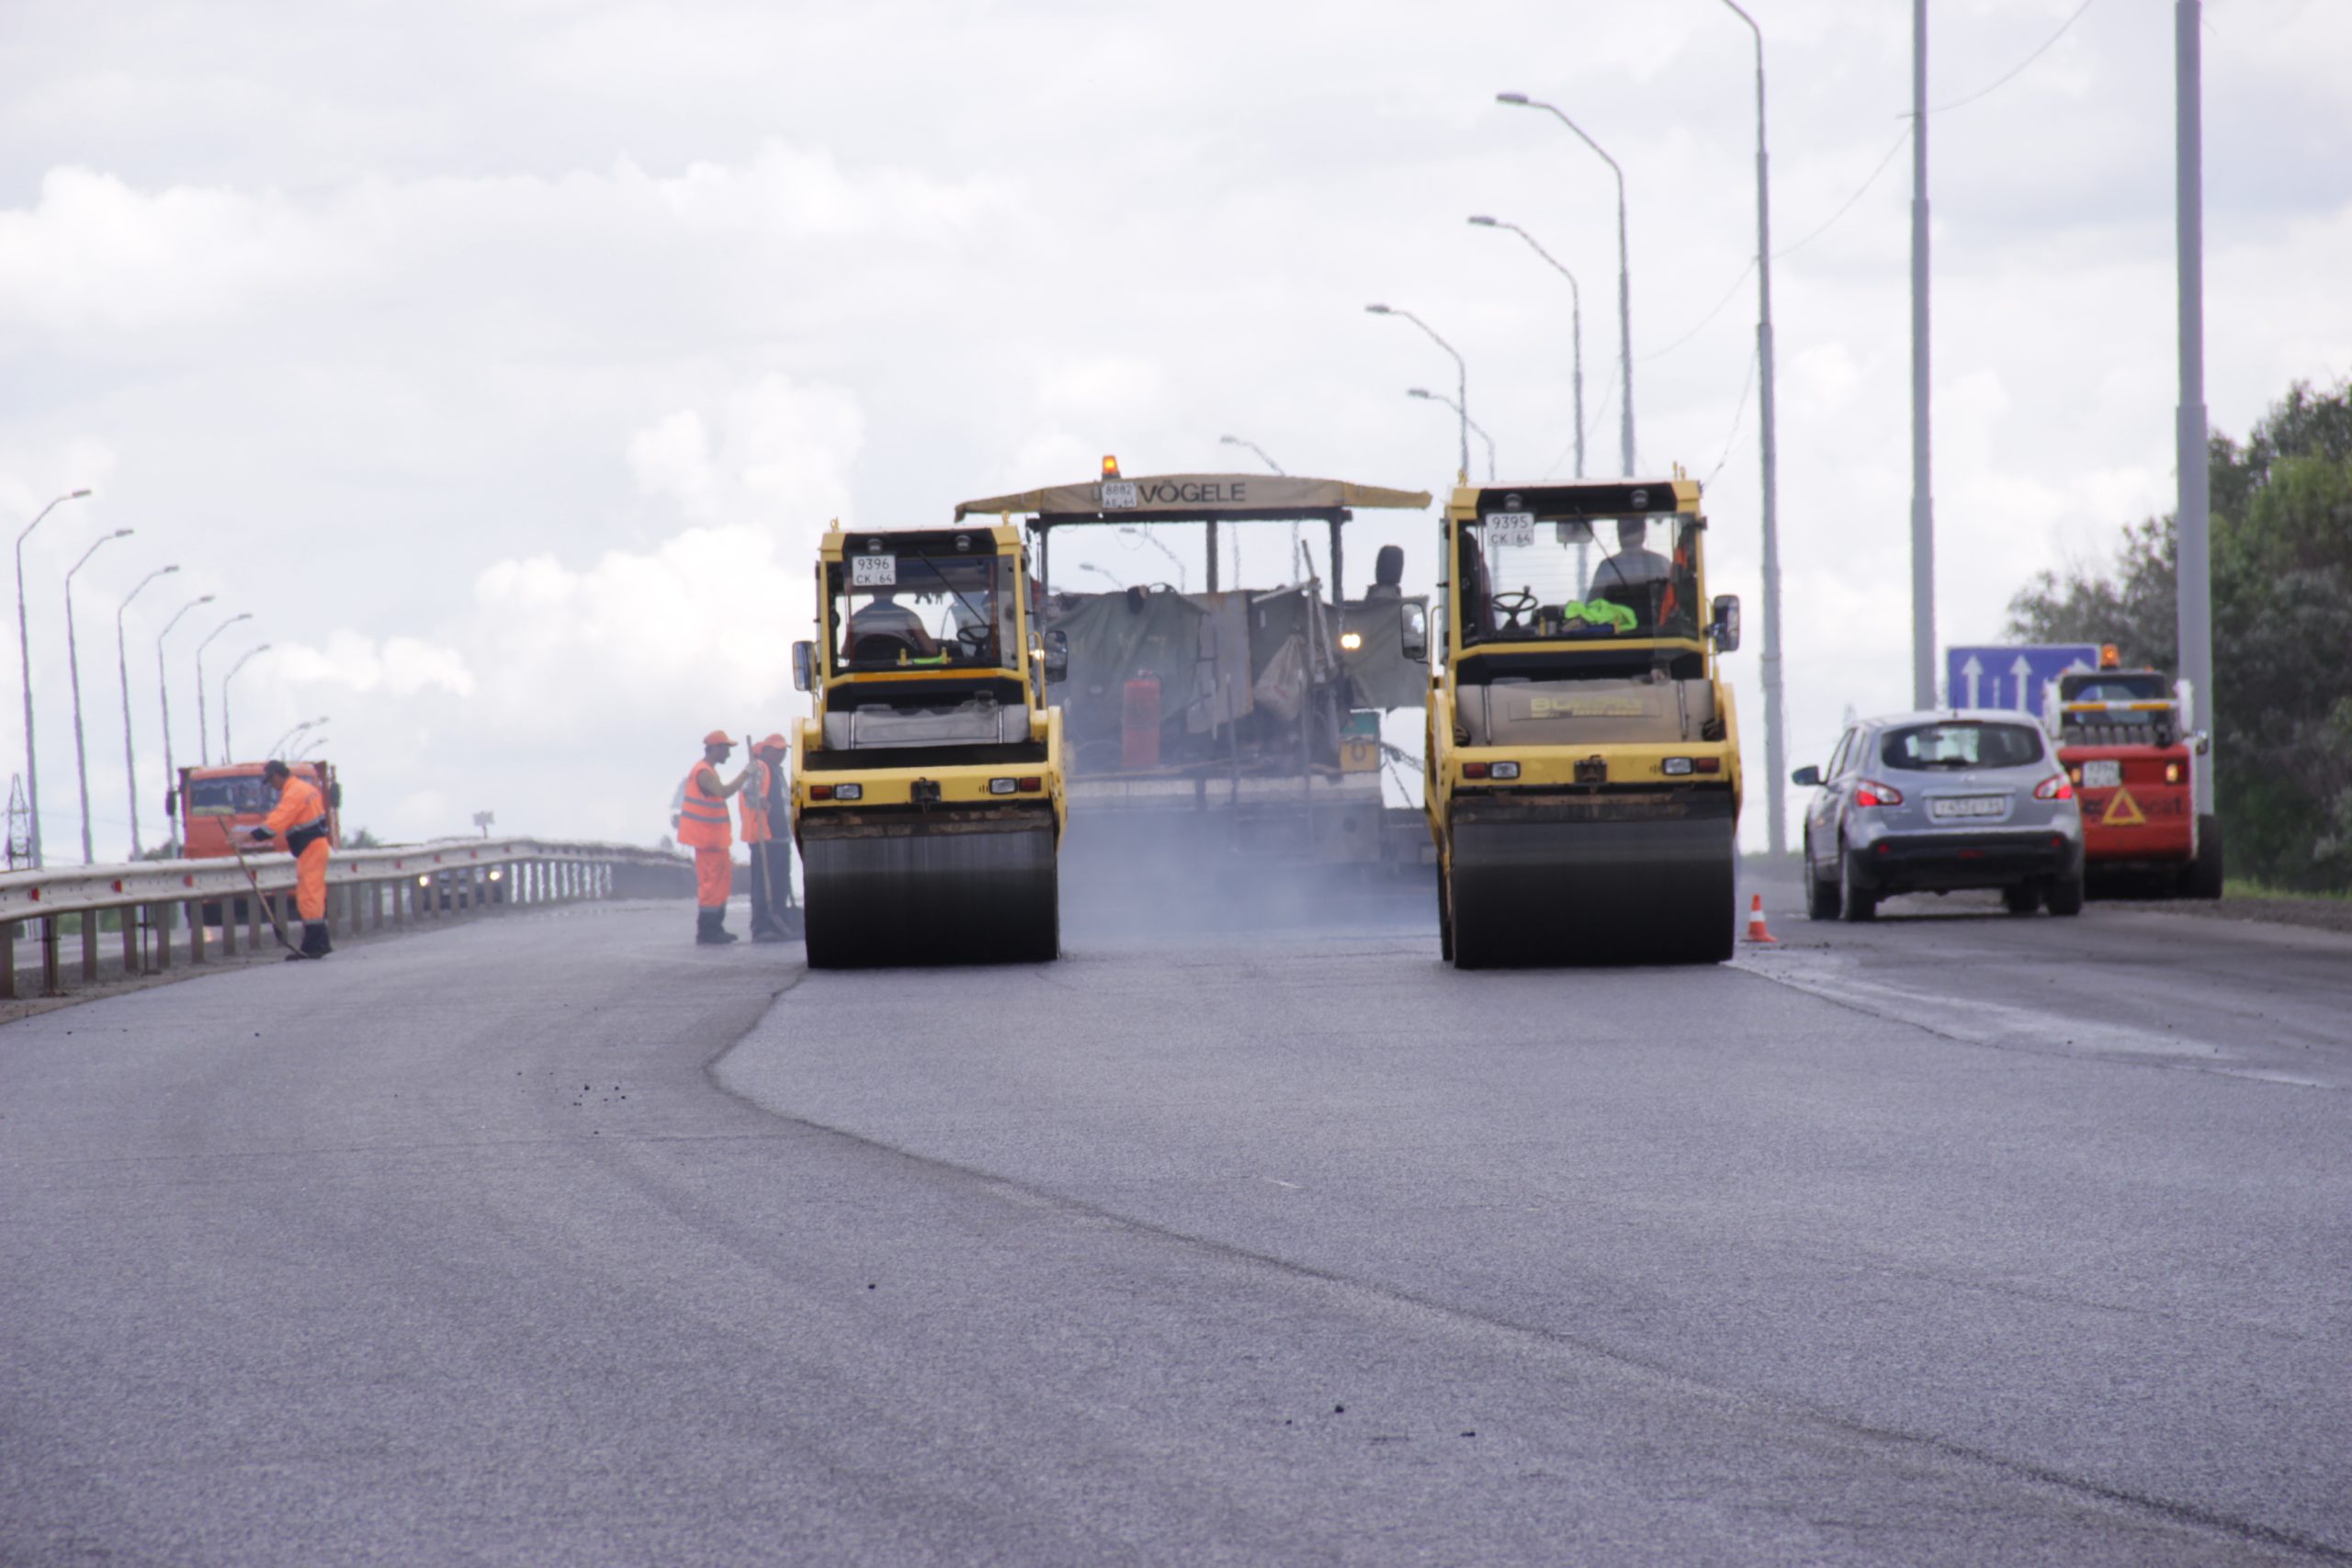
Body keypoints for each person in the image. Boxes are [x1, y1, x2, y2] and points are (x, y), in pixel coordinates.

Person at [246, 760, 334, 960]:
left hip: (311, 847)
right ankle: (319, 943)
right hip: (313, 847)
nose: (272, 786)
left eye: (271, 781)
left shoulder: (294, 793)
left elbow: (277, 820)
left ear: (278, 775)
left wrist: (250, 836)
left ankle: (314, 946)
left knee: (309, 896)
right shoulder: (305, 788)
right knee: (311, 894)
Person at [674, 730, 750, 945]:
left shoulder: (708, 771)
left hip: (716, 842)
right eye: (726, 748)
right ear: (714, 748)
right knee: (710, 887)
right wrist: (745, 774)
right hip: (707, 842)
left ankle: (716, 928)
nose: (728, 753)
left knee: (720, 886)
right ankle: (707, 931)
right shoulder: (703, 772)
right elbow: (723, 792)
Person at [741, 732, 795, 942]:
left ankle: (777, 920)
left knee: (779, 881)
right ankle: (761, 925)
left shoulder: (777, 771)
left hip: (781, 837)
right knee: (764, 883)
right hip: (765, 836)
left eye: (783, 750)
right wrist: (760, 801)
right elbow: (748, 790)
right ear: (767, 750)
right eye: (777, 749)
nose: (781, 753)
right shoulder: (761, 766)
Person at [846, 588, 939, 660]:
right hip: (903, 675)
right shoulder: (908, 615)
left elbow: (846, 652)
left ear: (872, 591)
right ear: (894, 591)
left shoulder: (857, 617)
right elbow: (930, 650)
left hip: (861, 676)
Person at [1589, 518, 1672, 593]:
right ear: (1644, 531)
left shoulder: (1606, 566)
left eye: (1628, 530)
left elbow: (1594, 605)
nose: (1626, 534)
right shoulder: (1661, 563)